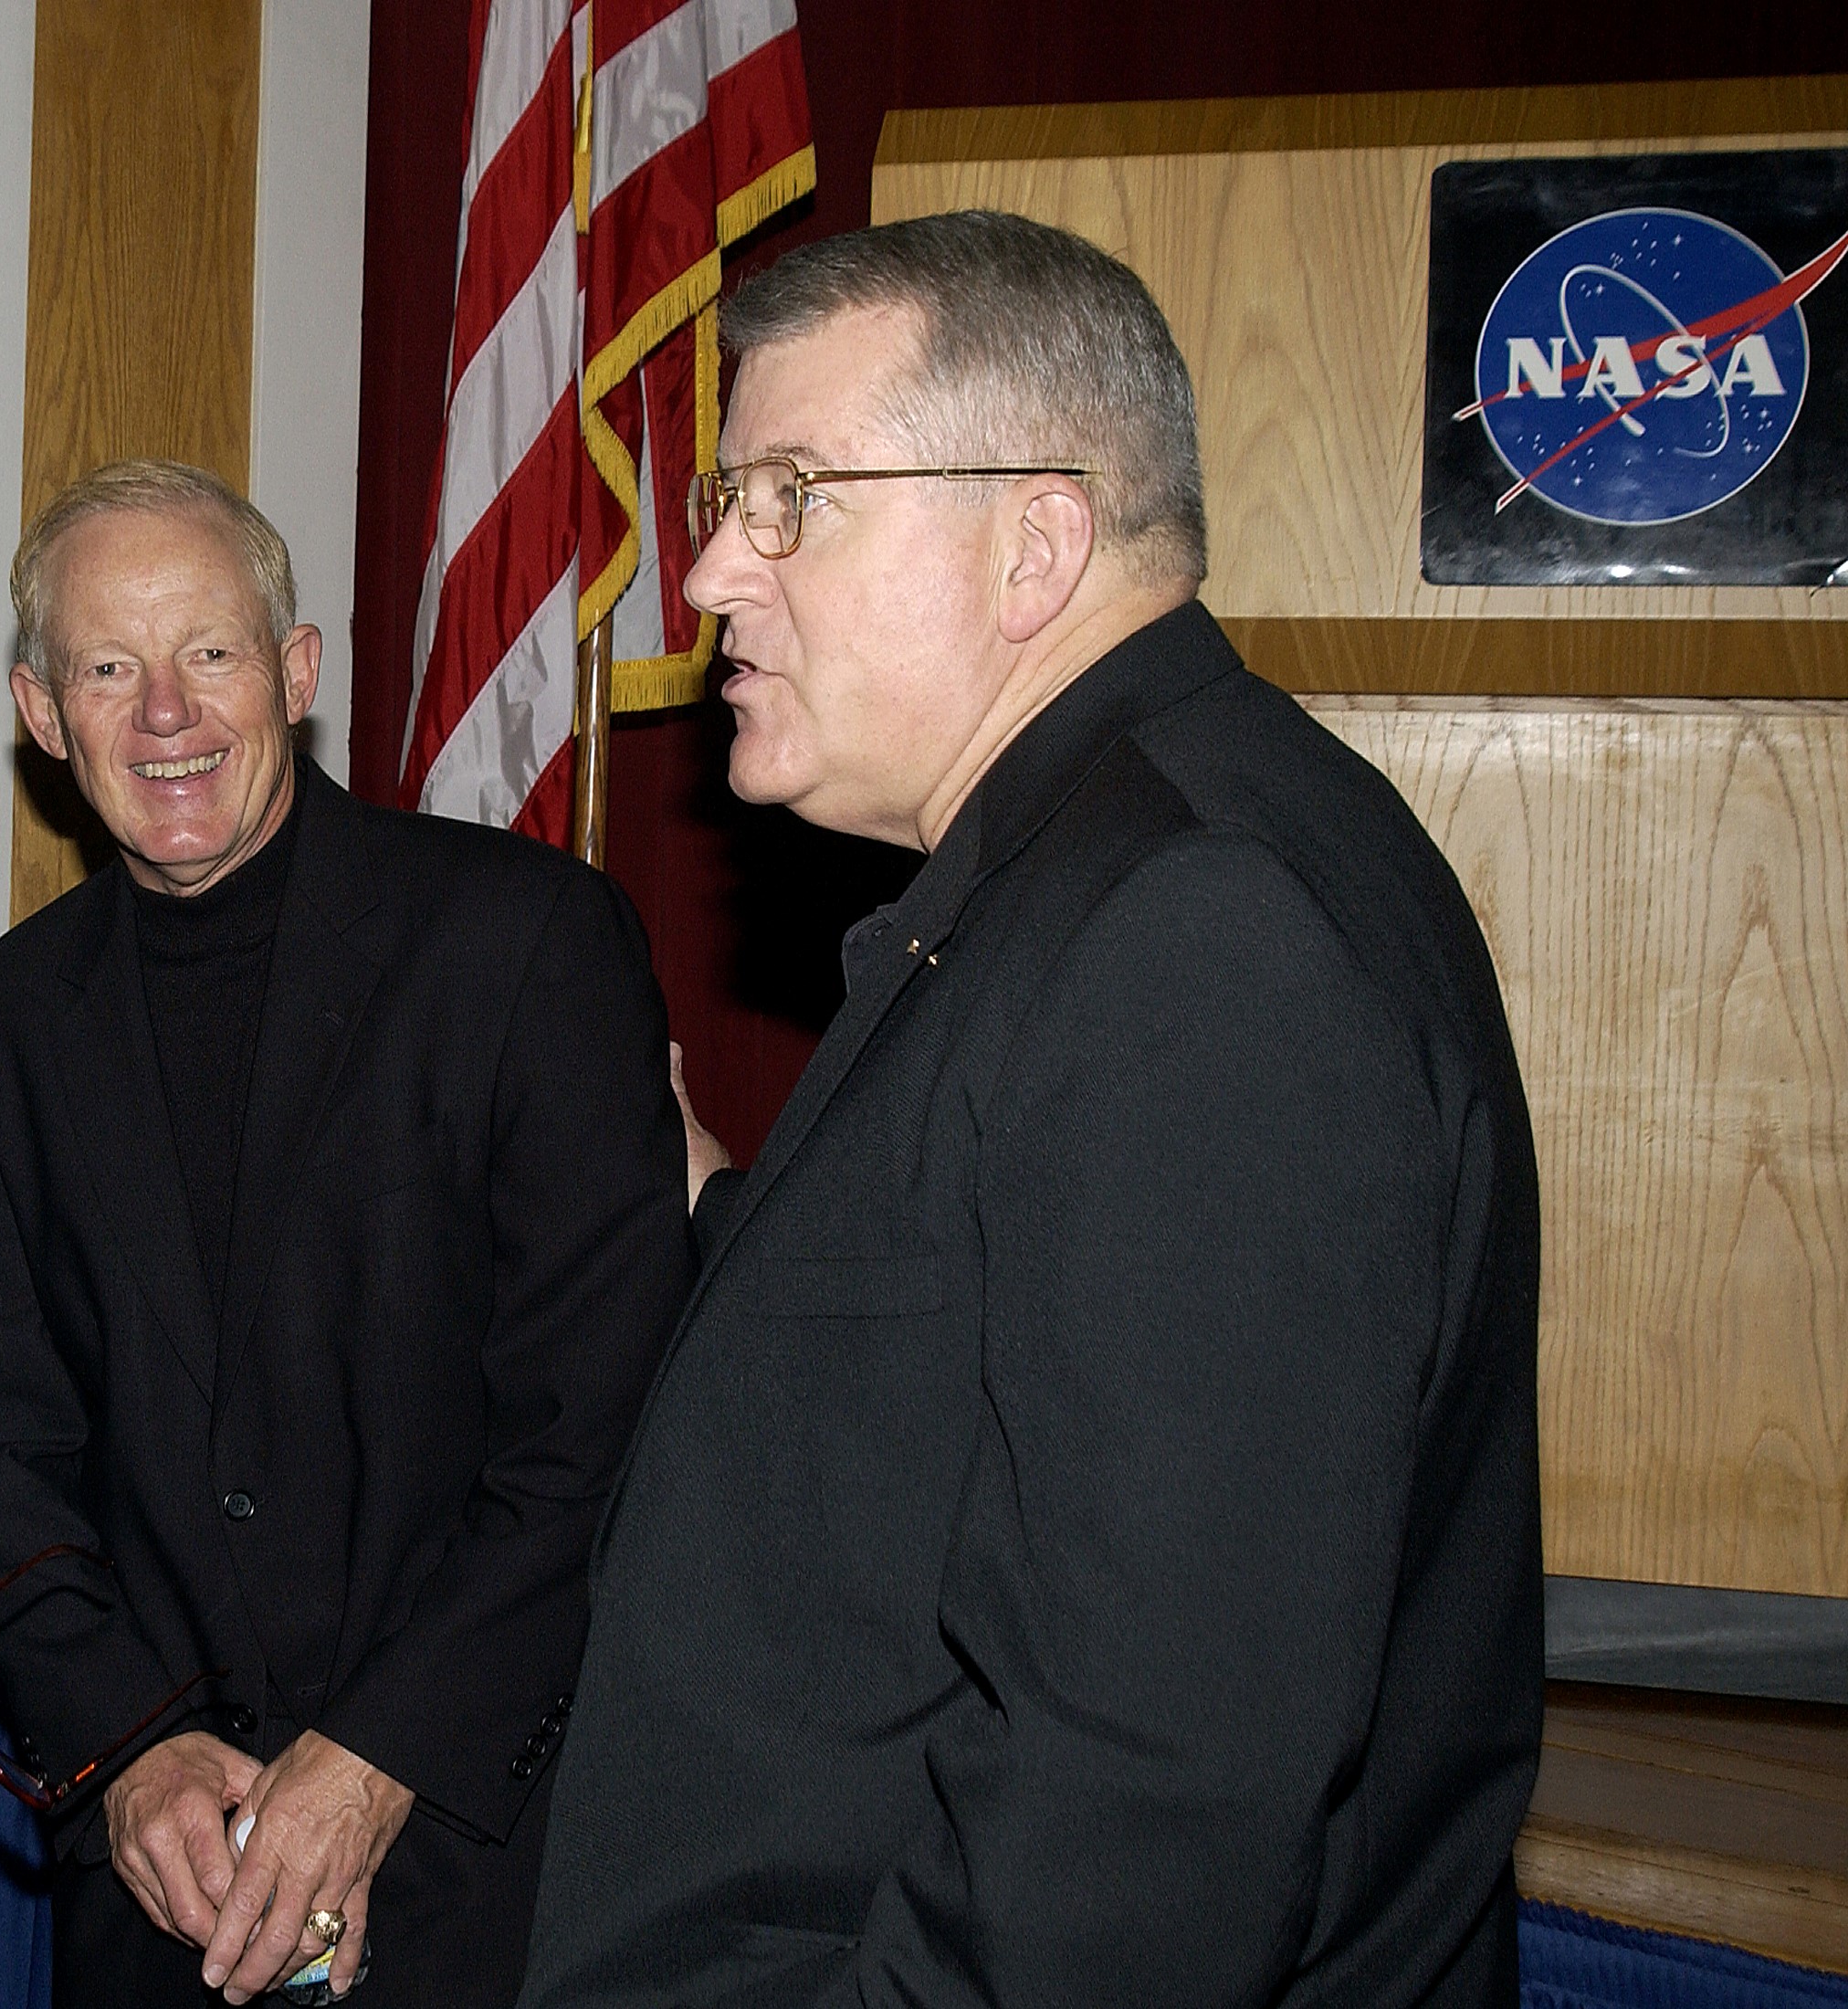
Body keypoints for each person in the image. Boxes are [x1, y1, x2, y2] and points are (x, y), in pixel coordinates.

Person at [516, 213, 1543, 2008]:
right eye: (722, 502)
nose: (707, 580)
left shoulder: (1196, 928)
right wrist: (721, 1211)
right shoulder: (1103, 862)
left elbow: (1152, 1801)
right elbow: (986, 1332)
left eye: (794, 499)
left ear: (1037, 538)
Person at [0, 460, 694, 2009]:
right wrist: (129, 1749)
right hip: (160, 1891)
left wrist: (380, 1754)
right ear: (41, 715)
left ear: (299, 672)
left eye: (210, 653)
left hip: (496, 1872)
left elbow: (600, 1428)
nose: (165, 714)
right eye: (107, 668)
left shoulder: (527, 946)